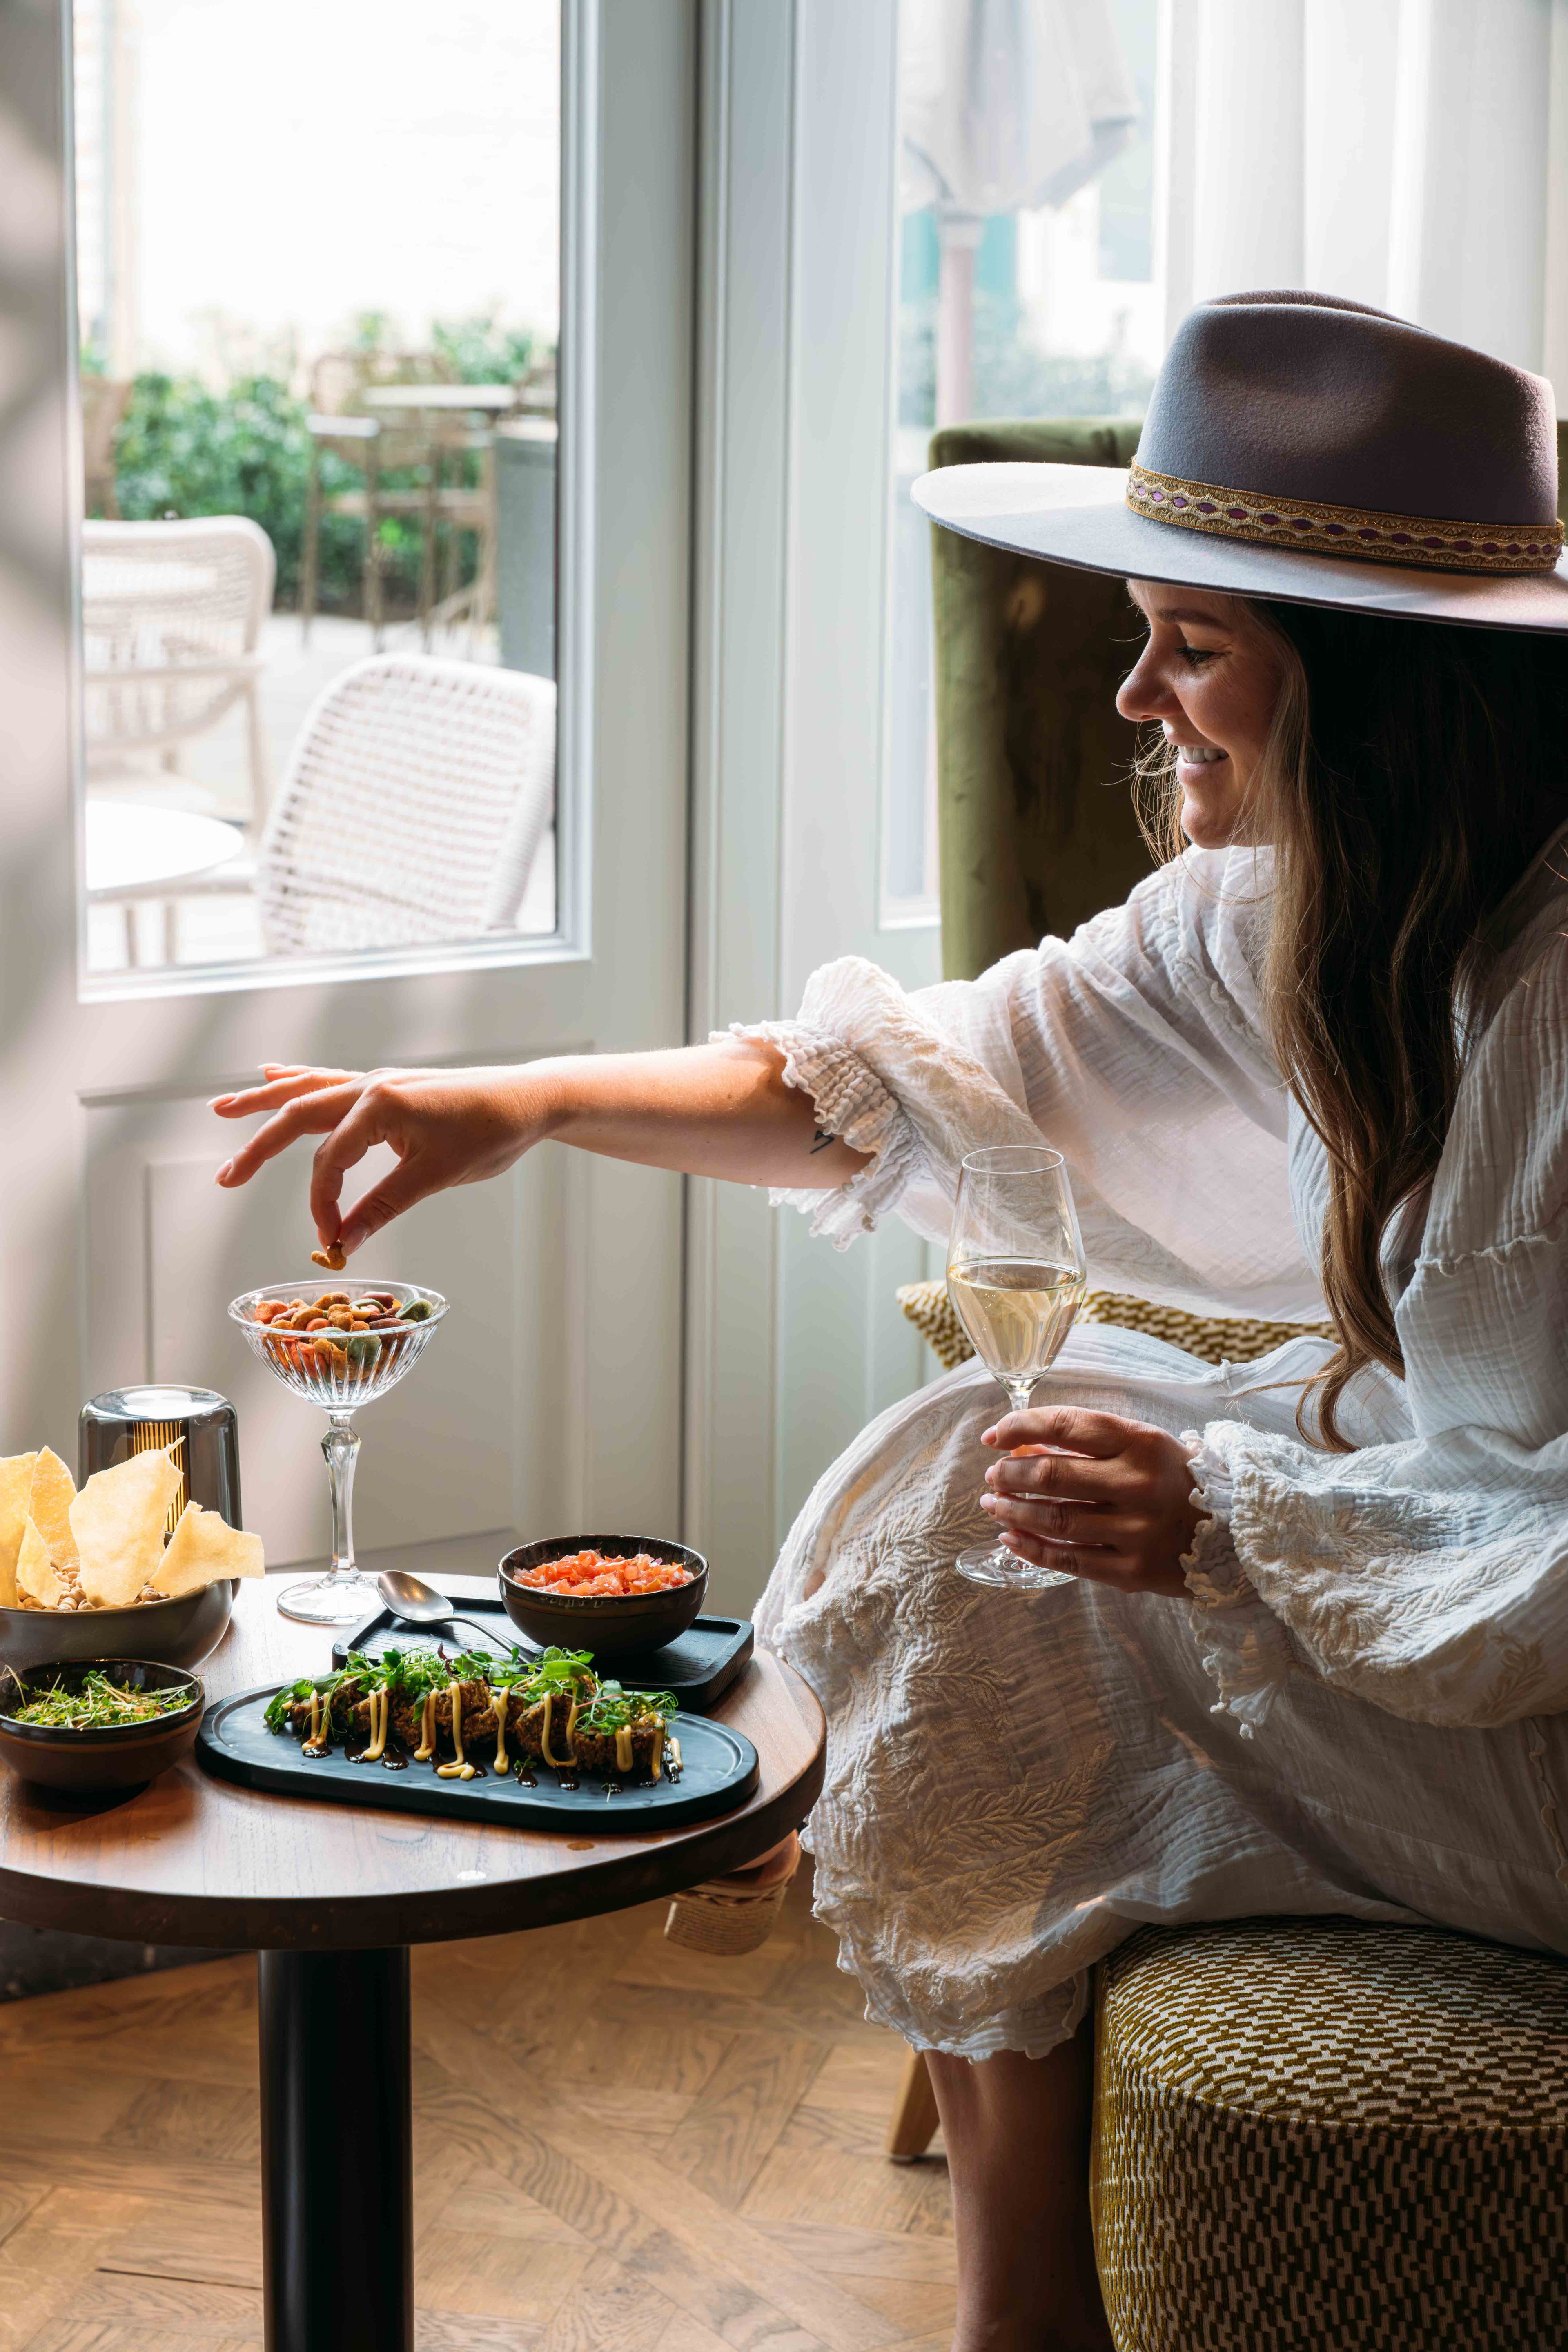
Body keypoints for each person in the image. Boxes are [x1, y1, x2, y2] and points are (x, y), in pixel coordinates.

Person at [212, 292, 1568, 2352]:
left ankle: (993, 2265)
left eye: (1193, 647)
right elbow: (926, 1075)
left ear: (1373, 687)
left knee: (993, 1560)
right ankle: (1006, 2269)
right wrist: (525, 1101)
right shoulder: (1298, 913)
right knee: (988, 1465)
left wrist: (1238, 1522)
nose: (1132, 695)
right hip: (1434, 1593)